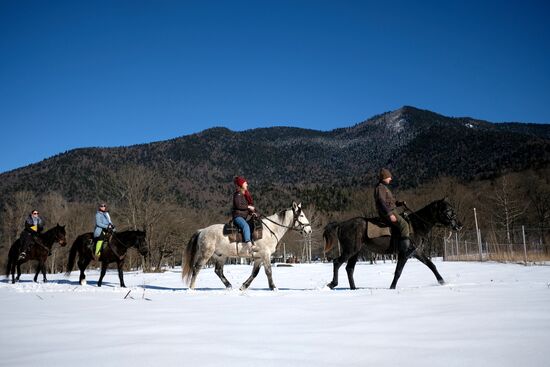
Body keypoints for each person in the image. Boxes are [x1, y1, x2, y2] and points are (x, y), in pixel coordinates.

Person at [374, 168, 416, 258]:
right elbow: (381, 202)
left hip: (392, 211)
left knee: (407, 220)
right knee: (404, 224)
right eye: (389, 177)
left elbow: (391, 202)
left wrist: (400, 203)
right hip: (387, 213)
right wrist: (390, 214)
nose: (390, 179)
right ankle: (406, 249)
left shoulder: (384, 188)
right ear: (384, 178)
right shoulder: (380, 188)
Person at [232, 176, 257, 253]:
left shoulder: (245, 196)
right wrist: (248, 206)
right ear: (241, 185)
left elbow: (246, 209)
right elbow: (238, 205)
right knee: (245, 225)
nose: (247, 185)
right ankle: (249, 245)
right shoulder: (237, 194)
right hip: (238, 217)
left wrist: (252, 213)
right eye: (245, 183)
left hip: (243, 217)